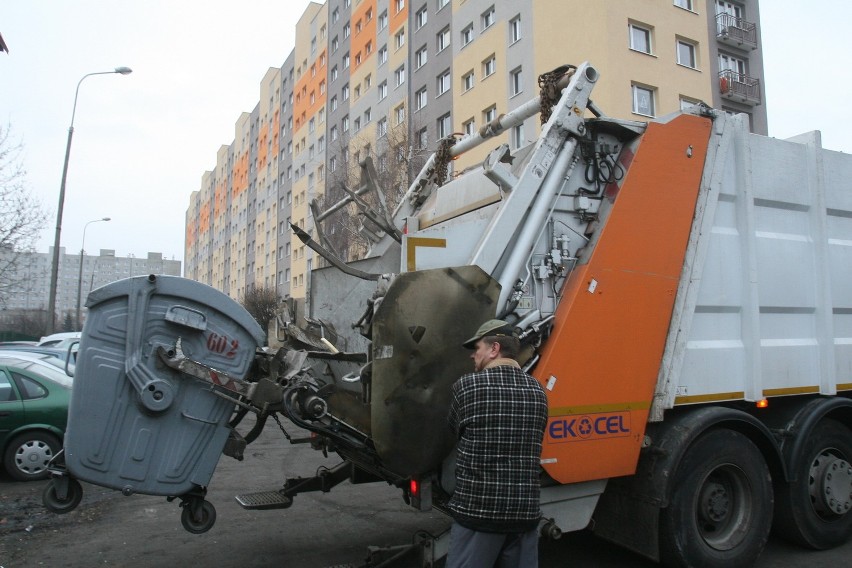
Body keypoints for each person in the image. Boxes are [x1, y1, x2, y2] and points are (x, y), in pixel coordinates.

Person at [446, 319, 549, 568]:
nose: (473, 356)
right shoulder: (538, 391)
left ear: (494, 349)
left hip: (479, 514)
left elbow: (453, 431)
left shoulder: (467, 386)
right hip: (524, 515)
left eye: (477, 348)